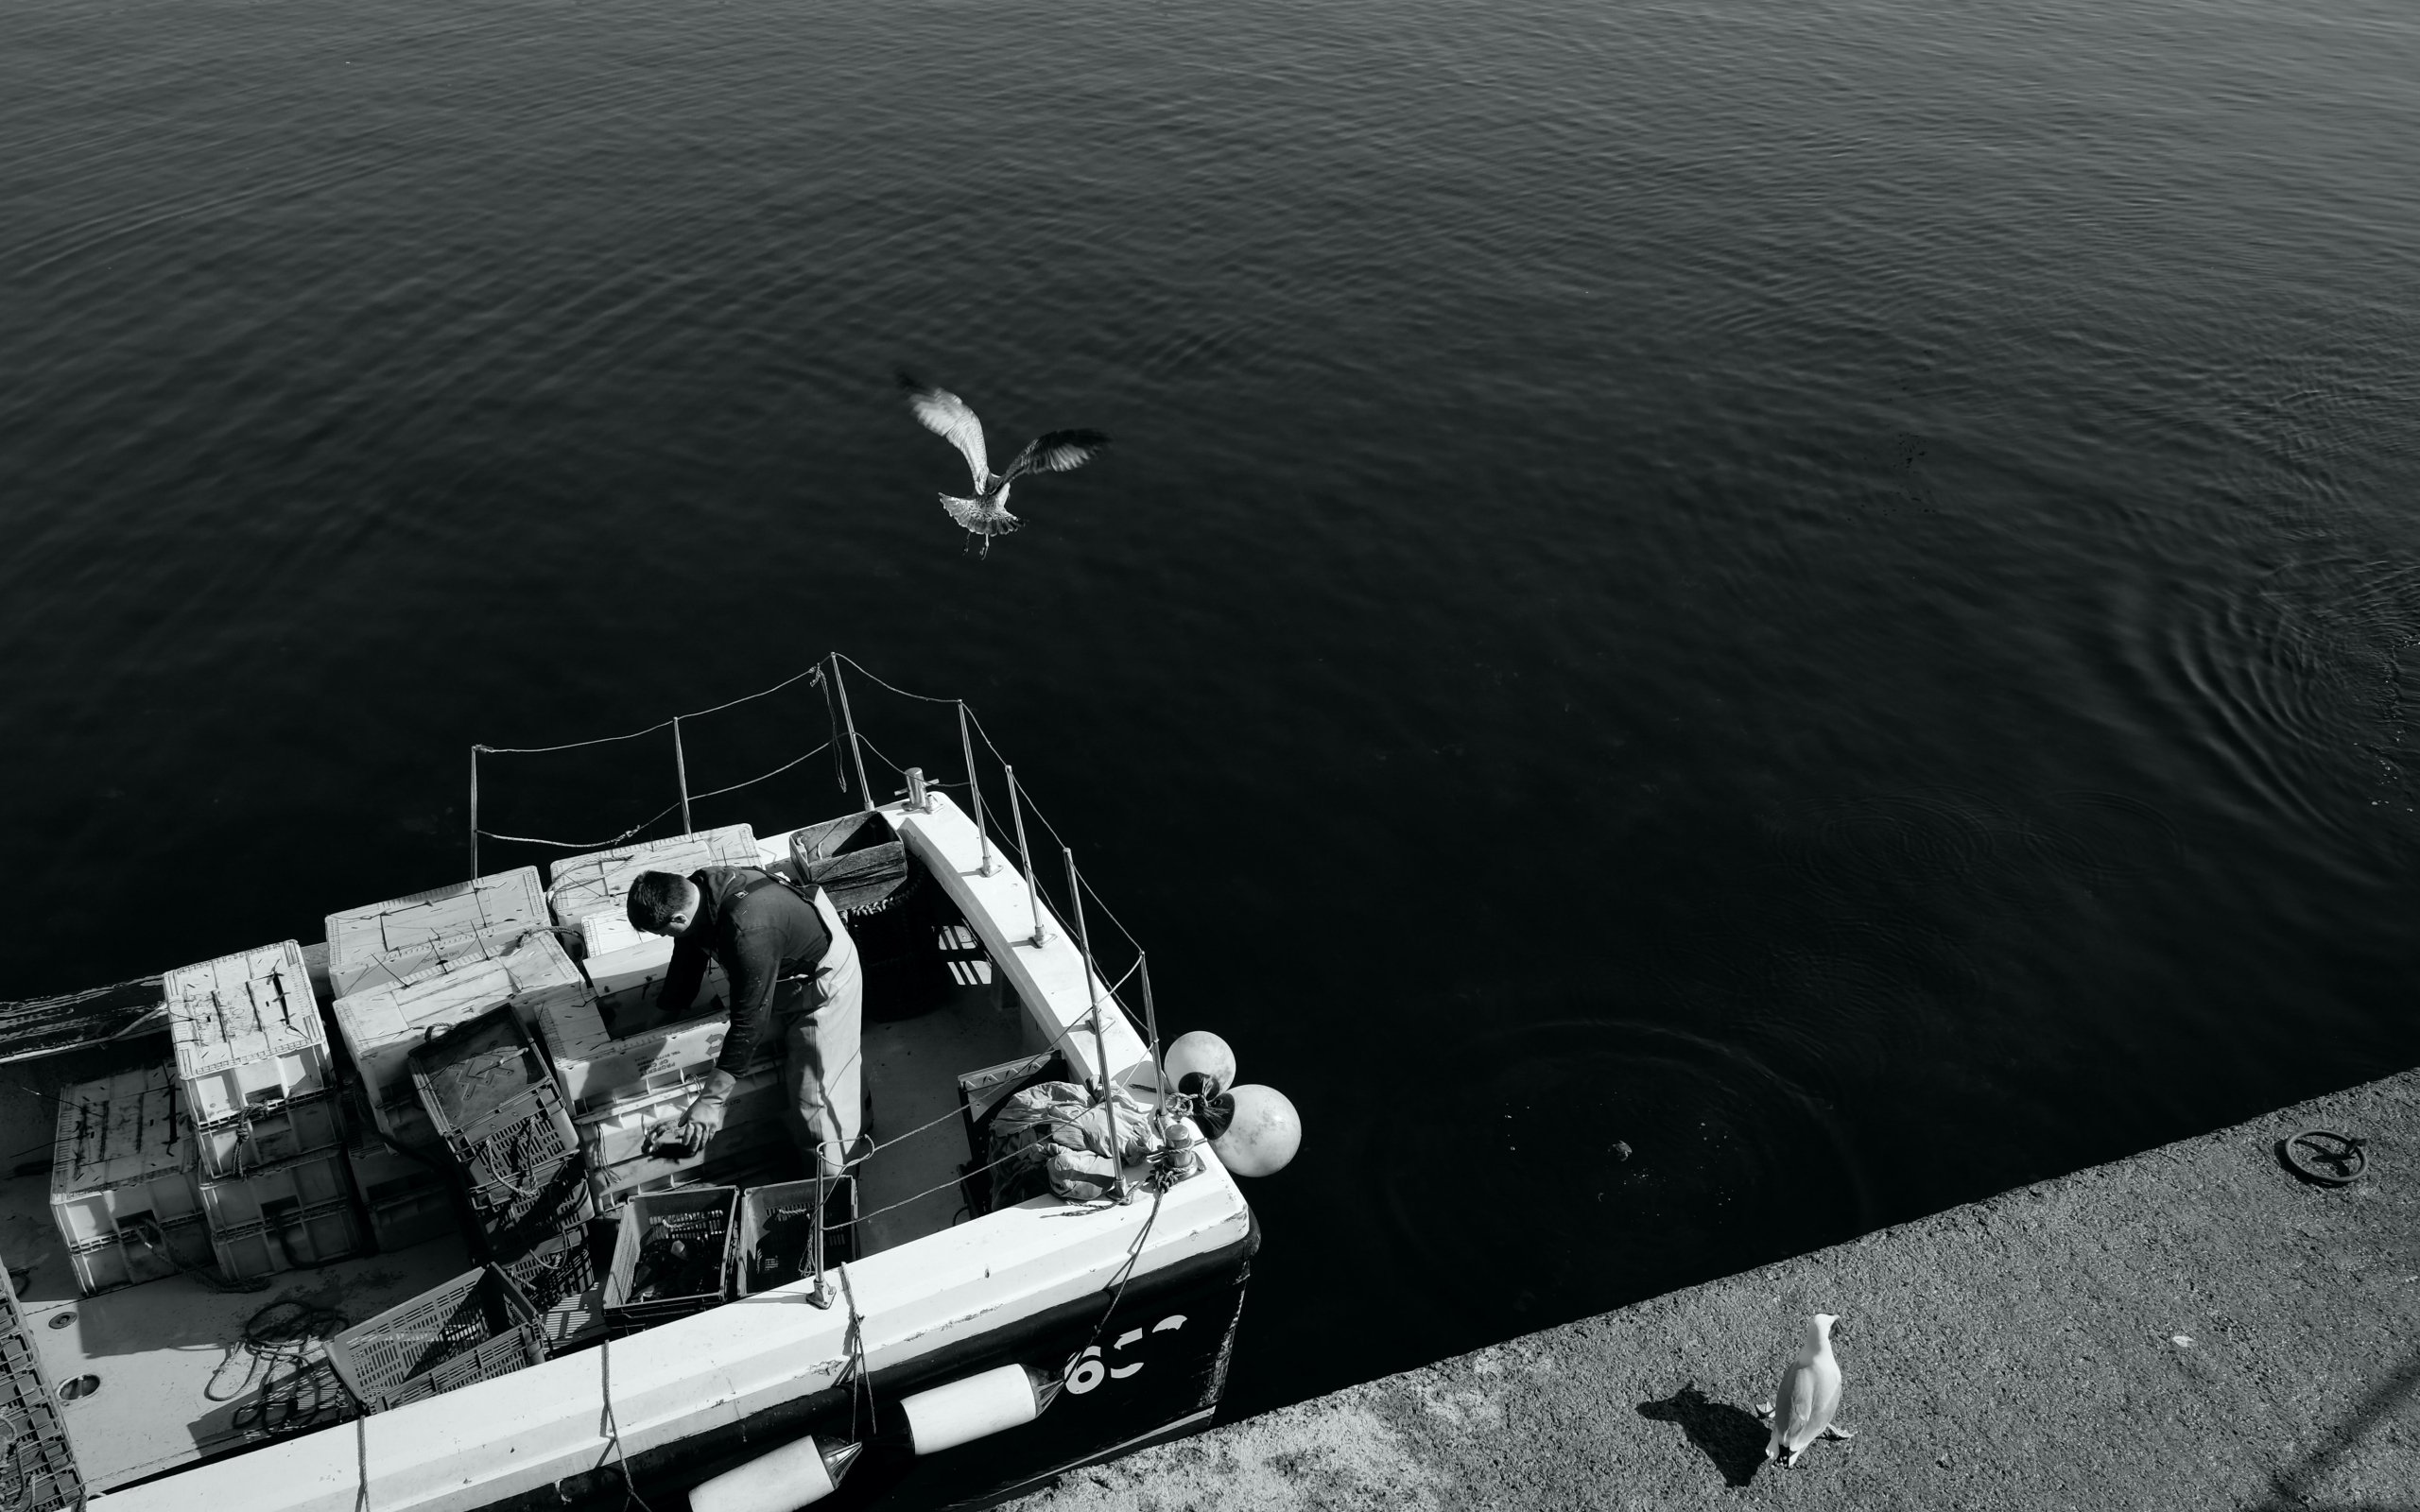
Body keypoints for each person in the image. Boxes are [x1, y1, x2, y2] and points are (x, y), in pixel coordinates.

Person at [624, 866, 863, 1177]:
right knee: (828, 1070)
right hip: (782, 959)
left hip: (822, 982)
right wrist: (659, 1020)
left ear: (679, 918)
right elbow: (687, 957)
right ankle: (860, 1116)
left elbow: (749, 1023)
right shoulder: (698, 890)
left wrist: (711, 1101)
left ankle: (835, 1181)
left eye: (664, 932)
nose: (665, 938)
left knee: (815, 1098)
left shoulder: (747, 933)